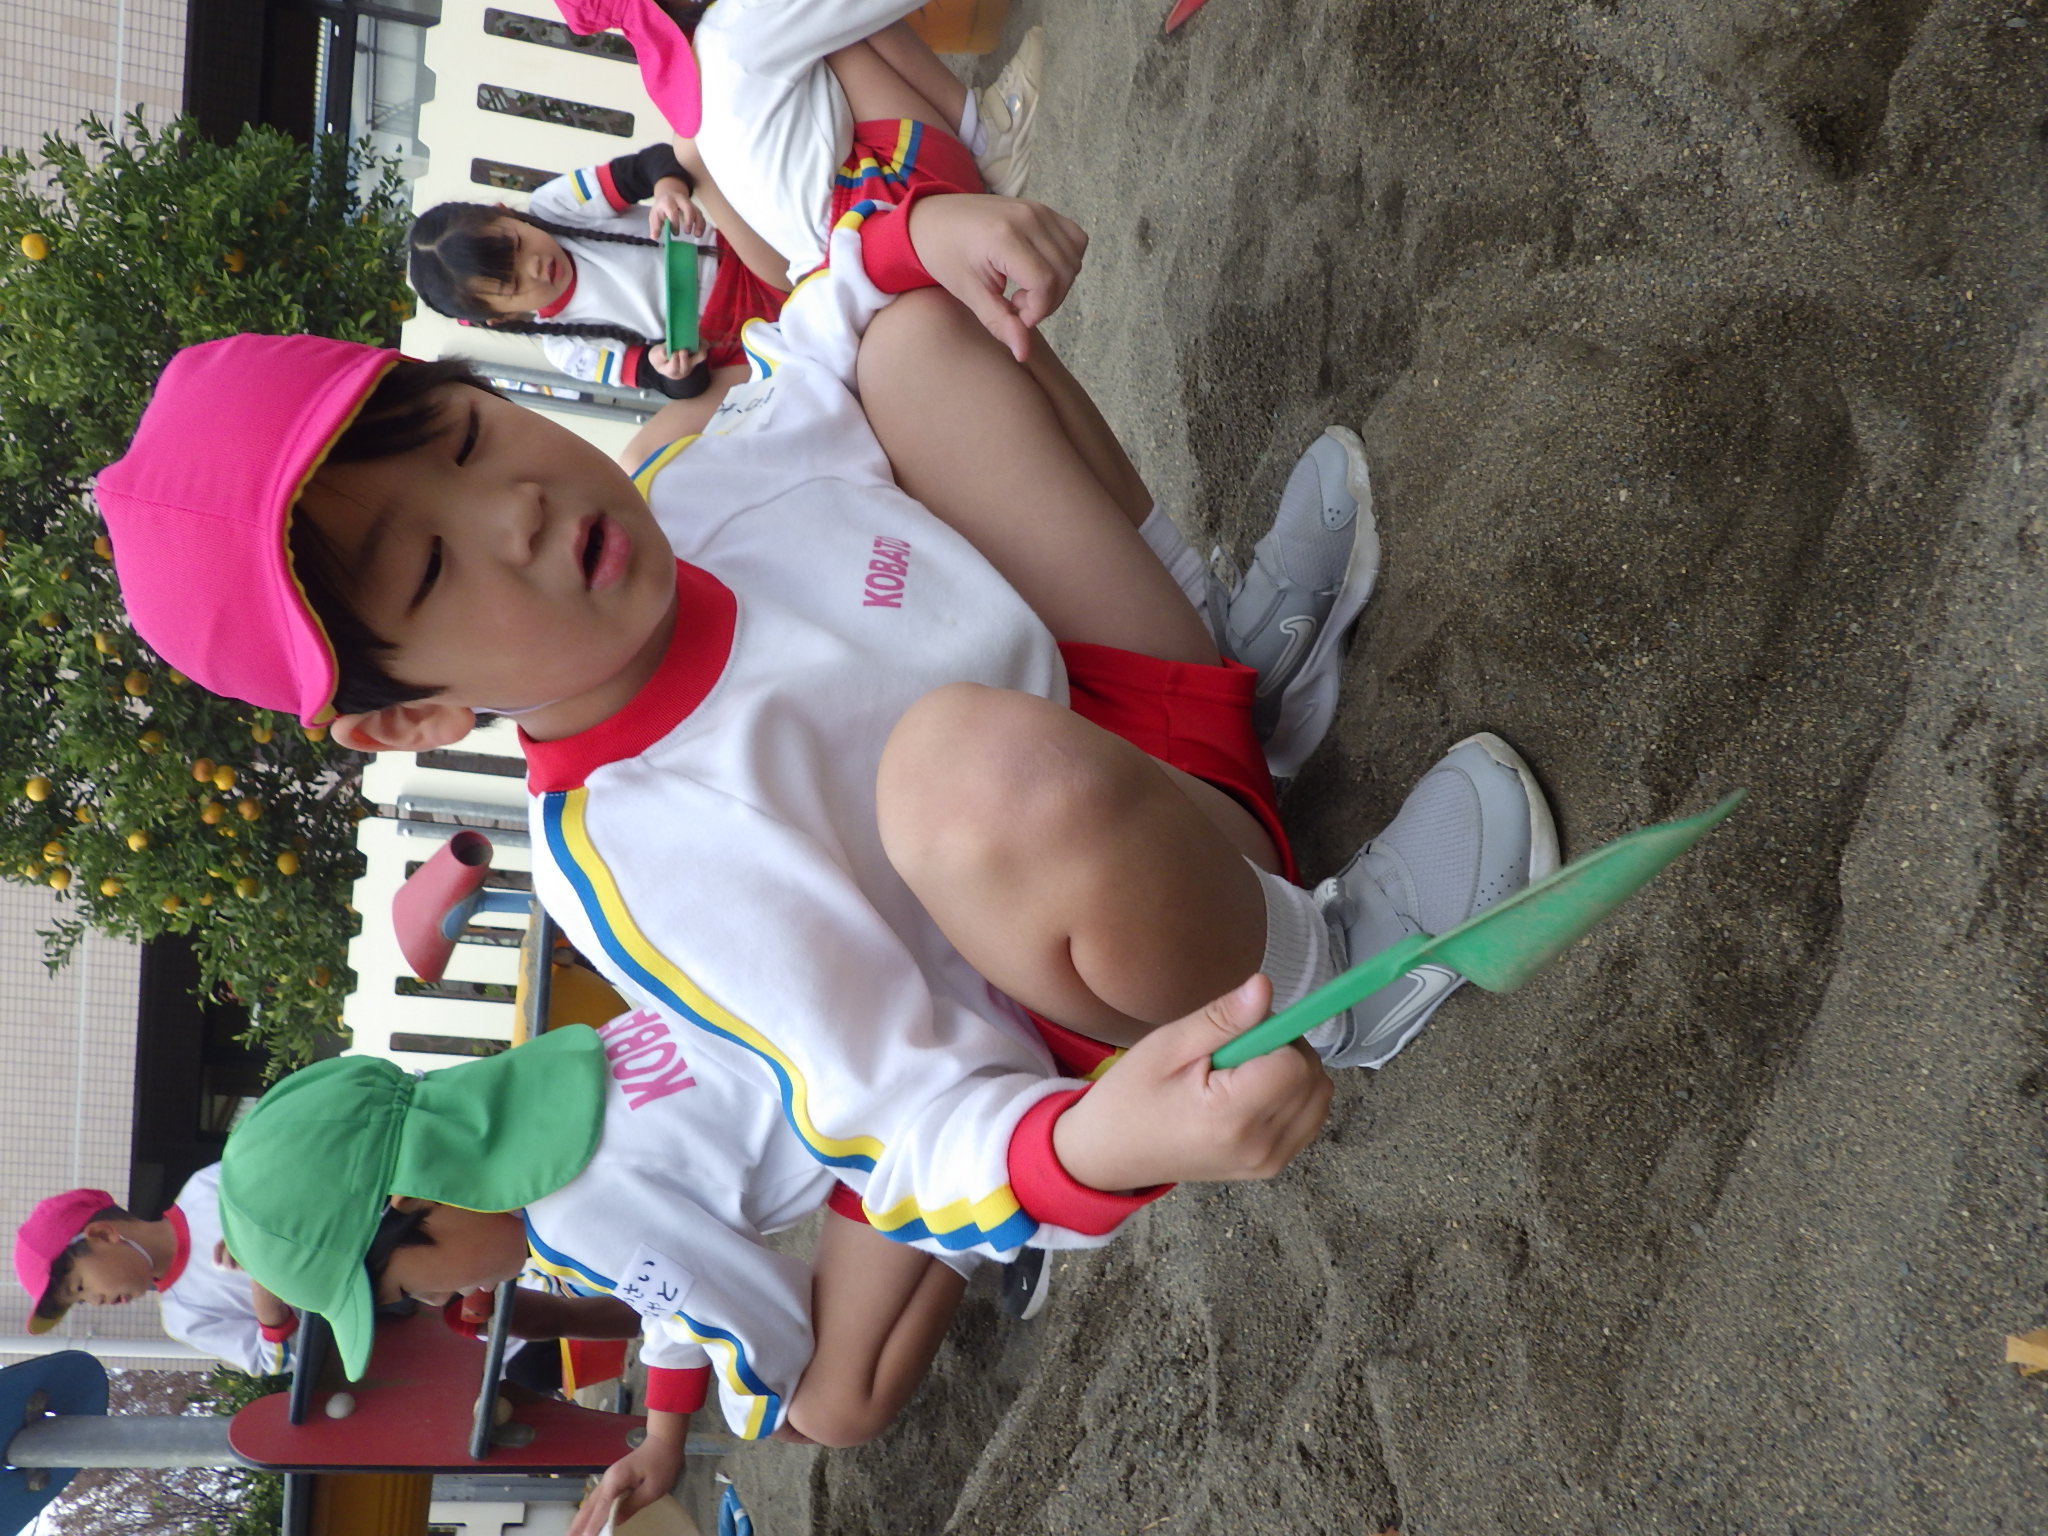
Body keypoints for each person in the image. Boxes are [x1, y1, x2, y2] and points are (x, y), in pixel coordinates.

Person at [96, 191, 1554, 1281]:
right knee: (961, 766)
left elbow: (822, 327)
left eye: (468, 440)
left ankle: (1238, 670)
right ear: (415, 713)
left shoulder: (698, 483)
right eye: (431, 567)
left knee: (913, 342)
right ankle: (1331, 979)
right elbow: (895, 1133)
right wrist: (1094, 1148)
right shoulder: (634, 845)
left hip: (1158, 735)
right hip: (1157, 957)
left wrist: (921, 237)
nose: (516, 513)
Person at [214, 1019, 999, 1530]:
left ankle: (980, 1213)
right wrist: (659, 1433)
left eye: (404, 1287)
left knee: (824, 1412)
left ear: (411, 1197)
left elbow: (762, 1326)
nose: (436, 1298)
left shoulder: (569, 1219)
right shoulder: (551, 1099)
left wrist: (738, 1416)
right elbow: (680, 1295)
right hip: (878, 1048)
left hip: (908, 1119)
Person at [552, 0, 1041, 288]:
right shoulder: (739, 21)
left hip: (848, 270)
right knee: (837, 26)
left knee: (822, 26)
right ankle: (986, 134)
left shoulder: (696, 75)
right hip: (903, 215)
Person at [407, 141, 785, 402]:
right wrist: (673, 371)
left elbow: (651, 163)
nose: (533, 265)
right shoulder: (569, 350)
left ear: (505, 213)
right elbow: (673, 385)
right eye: (515, 283)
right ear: (501, 317)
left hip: (747, 254)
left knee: (688, 146)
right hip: (733, 342)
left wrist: (668, 192)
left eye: (518, 244)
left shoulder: (555, 204)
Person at [14, 1167, 298, 1376]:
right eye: (81, 1302)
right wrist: (265, 1291)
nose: (95, 1302)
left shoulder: (209, 1188)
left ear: (102, 1234)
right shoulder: (185, 1319)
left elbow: (299, 1175)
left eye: (79, 1287)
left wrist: (265, 1241)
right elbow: (275, 1362)